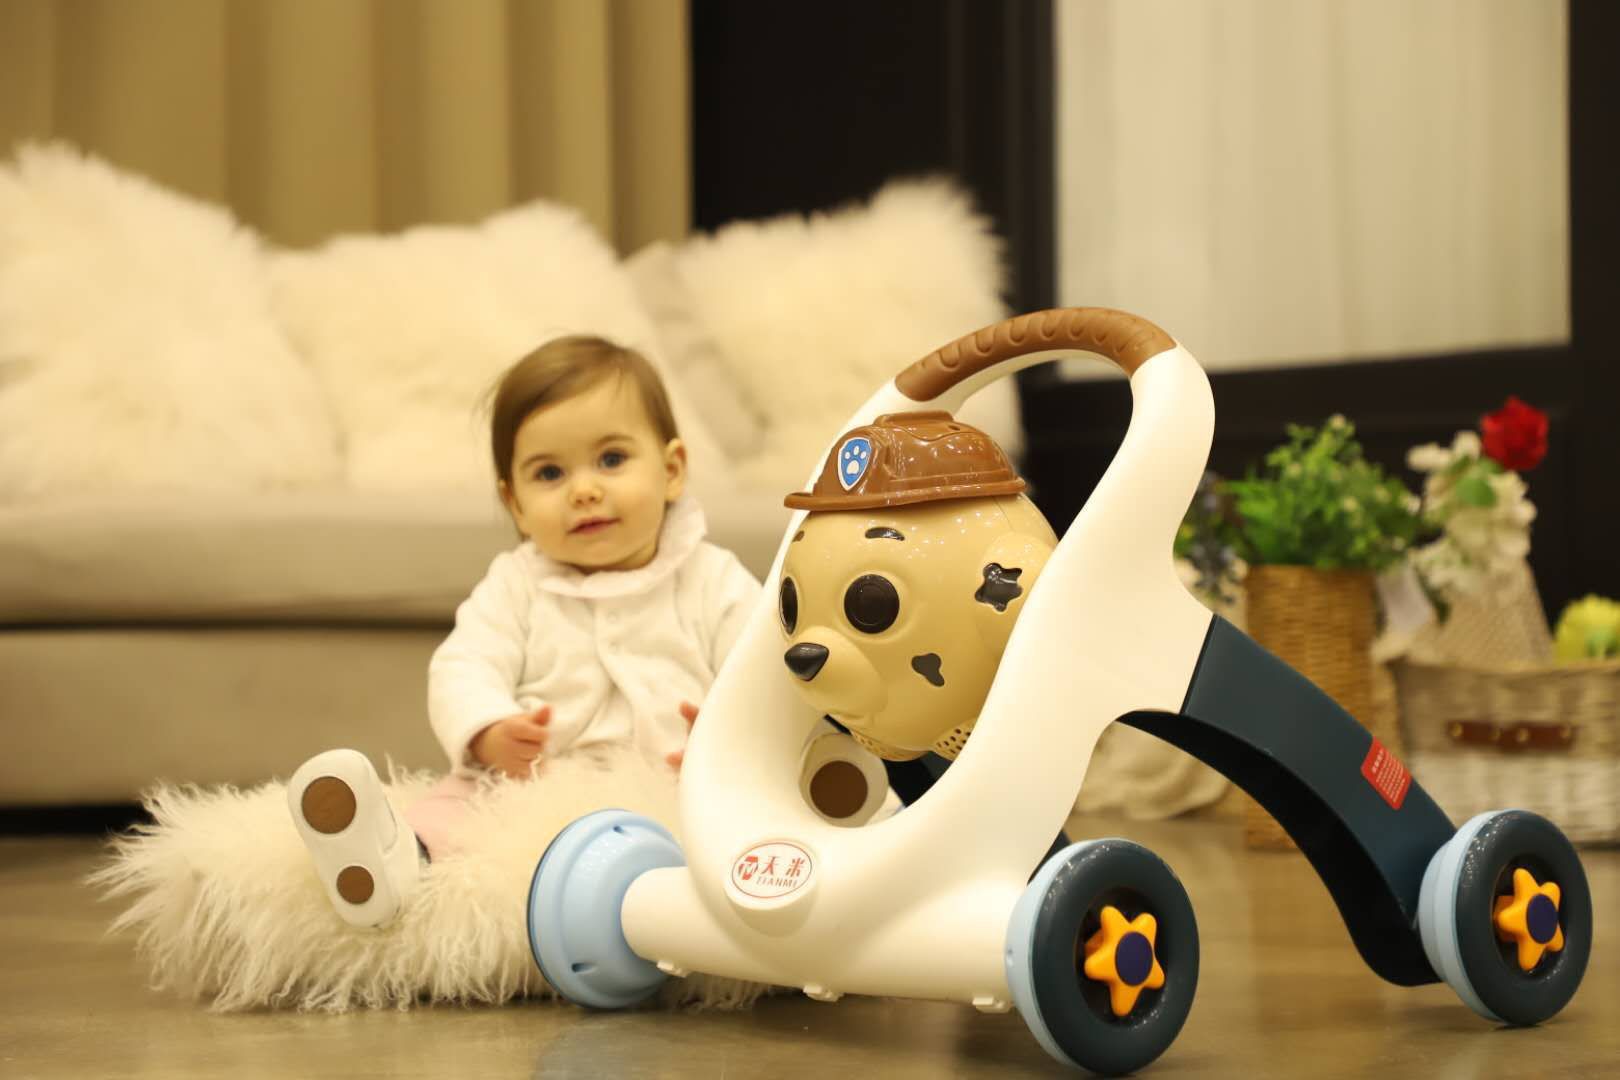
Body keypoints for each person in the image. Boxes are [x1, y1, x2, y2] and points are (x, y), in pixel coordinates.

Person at [286, 335, 760, 927]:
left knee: (742, 815)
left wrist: (721, 738)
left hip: (673, 781)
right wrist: (489, 731)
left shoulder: (712, 578)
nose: (584, 490)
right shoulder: (516, 585)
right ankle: (389, 859)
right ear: (515, 504)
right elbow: (465, 665)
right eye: (550, 473)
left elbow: (760, 670)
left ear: (671, 471)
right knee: (457, 807)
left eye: (612, 460)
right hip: (532, 782)